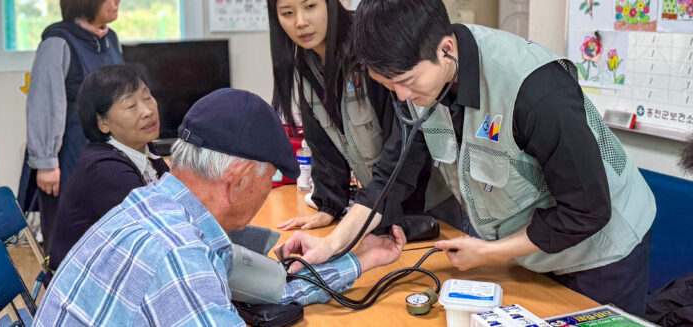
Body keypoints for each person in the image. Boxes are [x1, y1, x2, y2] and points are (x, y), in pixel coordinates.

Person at [276, 0, 656, 317]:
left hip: (601, 254)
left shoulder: (536, 91)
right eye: (389, 86)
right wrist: (332, 245)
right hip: (529, 253)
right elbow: (390, 177)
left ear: (446, 49)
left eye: (407, 82)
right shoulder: (416, 82)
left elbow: (587, 209)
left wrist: (489, 252)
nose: (401, 97)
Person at [33, 88, 406, 326]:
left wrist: (362, 259)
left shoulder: (156, 207)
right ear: (240, 179)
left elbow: (275, 289)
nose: (267, 192)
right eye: (270, 179)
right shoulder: (177, 255)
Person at [267, 0, 459, 239]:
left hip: (427, 200)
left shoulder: (369, 49)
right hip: (381, 206)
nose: (301, 22)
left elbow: (403, 140)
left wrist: (378, 211)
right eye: (287, 13)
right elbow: (323, 143)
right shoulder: (307, 63)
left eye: (310, 6)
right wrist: (329, 205)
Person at [18, 0, 123, 254]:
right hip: (67, 165)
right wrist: (45, 163)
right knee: (67, 248)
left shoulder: (111, 40)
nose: (117, 1)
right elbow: (43, 104)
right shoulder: (58, 43)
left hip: (106, 161)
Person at [46, 65, 169, 276]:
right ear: (103, 123)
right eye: (131, 105)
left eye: (147, 98)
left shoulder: (143, 148)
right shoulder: (106, 170)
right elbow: (160, 233)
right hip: (82, 288)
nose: (147, 111)